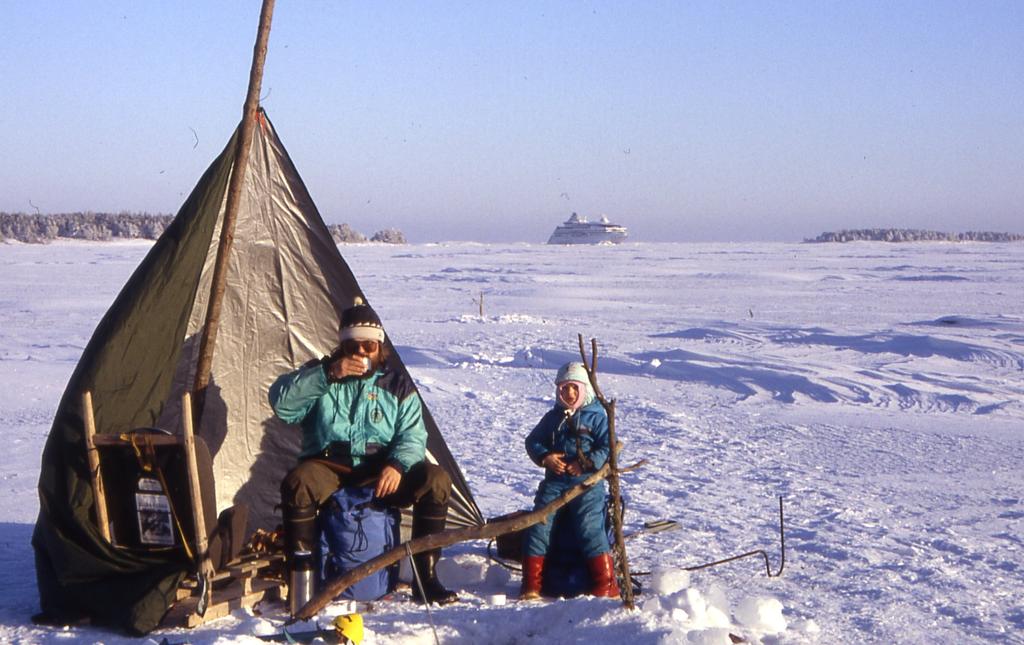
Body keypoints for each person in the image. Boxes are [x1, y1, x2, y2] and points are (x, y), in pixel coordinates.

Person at [269, 298, 458, 605]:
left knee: (435, 480)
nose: (360, 354)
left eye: (368, 347)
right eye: (352, 346)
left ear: (379, 348)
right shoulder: (322, 376)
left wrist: (397, 464)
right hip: (331, 465)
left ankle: (426, 580)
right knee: (299, 482)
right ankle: (301, 583)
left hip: (381, 469)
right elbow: (282, 405)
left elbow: (413, 435)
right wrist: (328, 374)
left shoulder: (396, 385)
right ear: (342, 347)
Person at [519, 362, 620, 600]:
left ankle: (605, 584)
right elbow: (532, 441)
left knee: (589, 526)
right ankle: (531, 584)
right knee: (538, 524)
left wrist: (585, 463)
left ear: (584, 389)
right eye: (564, 389)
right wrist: (546, 457)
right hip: (555, 481)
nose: (569, 394)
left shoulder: (597, 418)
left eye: (574, 388)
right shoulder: (553, 417)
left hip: (587, 484)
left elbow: (610, 447)